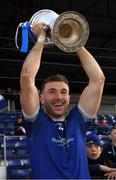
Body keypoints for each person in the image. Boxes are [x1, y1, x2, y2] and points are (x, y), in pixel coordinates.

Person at [20, 22, 105, 179]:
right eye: (52, 92)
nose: (59, 97)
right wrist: (41, 39)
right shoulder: (36, 122)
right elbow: (27, 77)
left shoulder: (78, 119)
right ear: (41, 98)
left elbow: (98, 79)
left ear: (68, 97)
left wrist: (74, 41)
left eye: (63, 92)